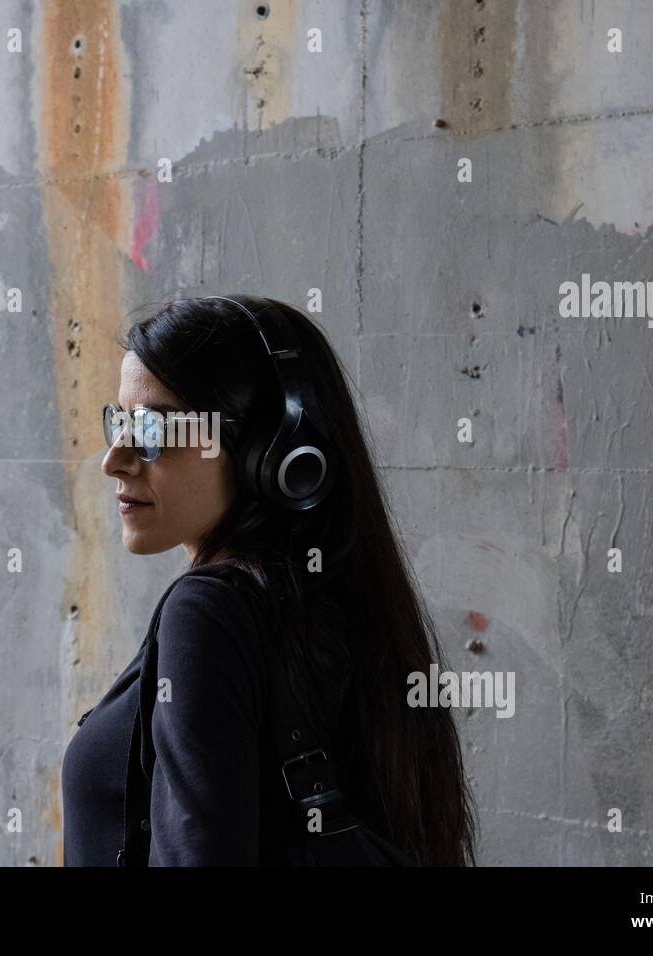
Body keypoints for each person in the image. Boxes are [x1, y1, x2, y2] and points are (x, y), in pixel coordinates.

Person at [60, 294, 476, 866]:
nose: (116, 458)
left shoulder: (205, 614)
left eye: (152, 428)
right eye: (120, 423)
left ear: (267, 450)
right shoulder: (344, 601)